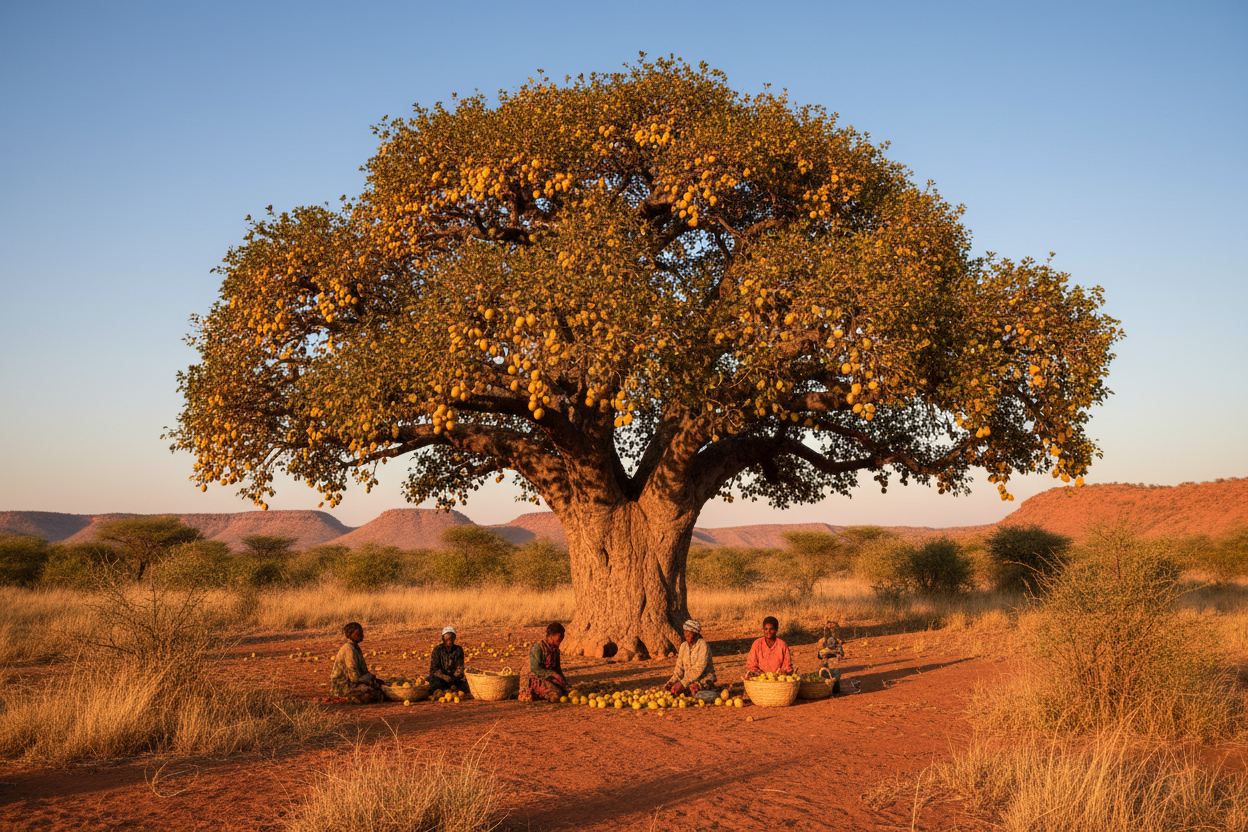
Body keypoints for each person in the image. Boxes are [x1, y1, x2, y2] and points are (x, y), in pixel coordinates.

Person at [329, 622, 383, 704]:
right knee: (374, 695)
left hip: (351, 683)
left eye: (362, 632)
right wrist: (369, 679)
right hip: (342, 687)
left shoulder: (355, 647)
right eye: (359, 633)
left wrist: (373, 680)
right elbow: (354, 678)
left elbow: (363, 672)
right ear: (350, 634)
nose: (362, 635)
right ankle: (345, 699)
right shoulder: (349, 649)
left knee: (380, 687)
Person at [665, 619, 716, 696]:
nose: (686, 635)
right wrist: (672, 681)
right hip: (687, 682)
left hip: (703, 680)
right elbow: (679, 668)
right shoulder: (683, 646)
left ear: (696, 634)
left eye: (689, 634)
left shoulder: (703, 645)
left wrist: (682, 683)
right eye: (685, 633)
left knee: (698, 694)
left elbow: (699, 668)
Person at [520, 621, 568, 702]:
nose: (561, 641)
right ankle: (527, 693)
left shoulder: (556, 650)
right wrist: (552, 674)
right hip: (532, 678)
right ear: (551, 636)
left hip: (545, 678)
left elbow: (557, 668)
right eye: (559, 638)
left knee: (564, 691)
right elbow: (535, 669)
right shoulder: (538, 647)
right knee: (556, 695)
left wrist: (565, 684)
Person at [428, 625, 468, 696]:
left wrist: (453, 678)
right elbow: (434, 669)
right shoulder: (437, 650)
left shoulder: (458, 650)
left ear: (454, 638)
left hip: (454, 678)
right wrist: (445, 677)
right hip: (441, 678)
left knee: (467, 686)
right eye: (447, 638)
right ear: (443, 638)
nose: (449, 640)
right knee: (431, 684)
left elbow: (460, 668)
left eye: (451, 638)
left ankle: (451, 687)